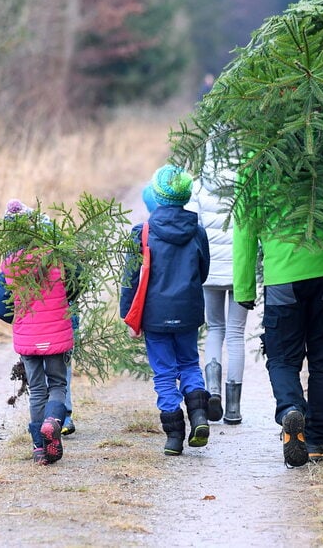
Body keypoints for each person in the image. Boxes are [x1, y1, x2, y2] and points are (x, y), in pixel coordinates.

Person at [232, 182, 323, 467]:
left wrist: (244, 289)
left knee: (282, 356)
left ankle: (290, 411)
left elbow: (245, 229)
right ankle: (315, 441)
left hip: (283, 275)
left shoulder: (256, 161)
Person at [120, 165, 211, 456]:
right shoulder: (197, 232)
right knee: (189, 364)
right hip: (188, 312)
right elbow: (203, 271)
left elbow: (130, 280)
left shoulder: (142, 233)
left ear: (157, 197)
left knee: (163, 373)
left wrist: (129, 316)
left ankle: (174, 436)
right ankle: (199, 416)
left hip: (155, 316)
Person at [0, 199, 76, 465]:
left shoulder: (9, 265)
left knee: (37, 390)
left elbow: (0, 306)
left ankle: (39, 448)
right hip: (58, 335)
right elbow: (75, 284)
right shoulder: (56, 256)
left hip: (28, 338)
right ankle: (52, 421)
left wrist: (19, 320)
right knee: (58, 385)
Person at [187, 166, 250, 425]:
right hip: (240, 269)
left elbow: (193, 225)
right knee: (236, 333)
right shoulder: (248, 177)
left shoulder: (199, 182)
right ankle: (233, 409)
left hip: (210, 269)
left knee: (215, 329)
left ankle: (213, 391)